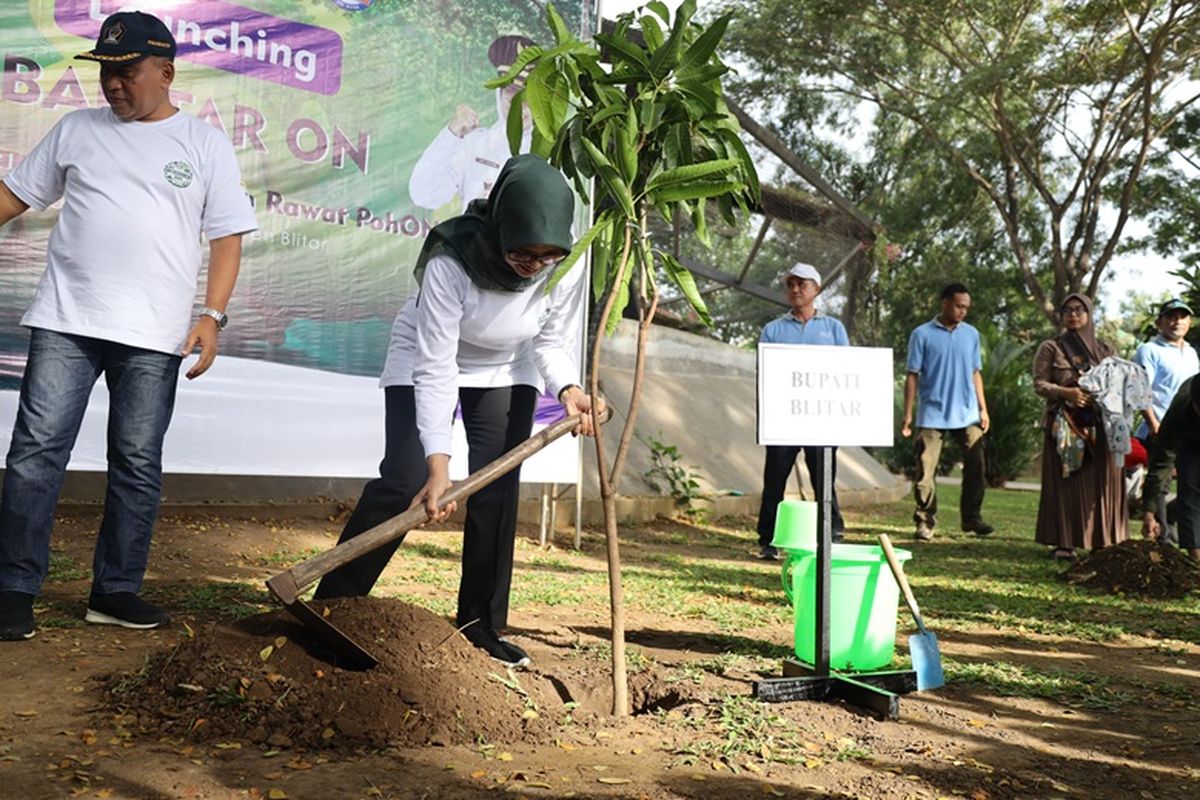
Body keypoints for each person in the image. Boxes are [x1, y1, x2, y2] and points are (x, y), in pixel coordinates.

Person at [0, 12, 256, 640]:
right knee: (36, 455)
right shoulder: (75, 130)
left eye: (127, 72)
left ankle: (115, 591)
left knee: (136, 461)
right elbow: (11, 199)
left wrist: (212, 316)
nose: (113, 84)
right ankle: (11, 589)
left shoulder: (203, 144)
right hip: (67, 319)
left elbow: (226, 236)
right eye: (106, 72)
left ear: (165, 72)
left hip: (156, 333)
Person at [313, 155, 603, 667]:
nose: (534, 265)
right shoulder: (452, 258)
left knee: (496, 491)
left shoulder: (569, 261)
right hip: (425, 356)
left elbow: (550, 340)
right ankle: (335, 609)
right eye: (522, 253)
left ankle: (481, 625)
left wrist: (569, 390)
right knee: (404, 479)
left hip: (508, 367)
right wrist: (438, 464)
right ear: (499, 227)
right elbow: (436, 364)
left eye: (546, 256)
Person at [754, 263, 849, 561]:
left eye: (802, 284)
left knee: (824, 477)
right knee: (775, 479)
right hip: (784, 419)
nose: (795, 289)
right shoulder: (772, 330)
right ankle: (767, 540)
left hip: (823, 419)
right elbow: (765, 373)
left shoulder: (834, 329)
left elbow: (846, 372)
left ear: (816, 290)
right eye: (790, 284)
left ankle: (832, 533)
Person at [1032, 294, 1127, 559]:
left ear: (1089, 314)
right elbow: (1040, 384)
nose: (1073, 314)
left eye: (1079, 309)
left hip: (1102, 425)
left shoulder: (1105, 349)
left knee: (1103, 483)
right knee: (1066, 482)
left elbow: (1118, 383)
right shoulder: (1052, 347)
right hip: (1064, 425)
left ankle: (1103, 540)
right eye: (1068, 310)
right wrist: (1067, 392)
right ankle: (1065, 542)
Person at [901, 284, 993, 541]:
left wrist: (983, 409)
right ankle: (925, 521)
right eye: (958, 305)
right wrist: (908, 414)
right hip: (932, 412)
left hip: (966, 413)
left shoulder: (971, 334)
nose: (962, 311)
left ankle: (971, 518)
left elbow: (976, 373)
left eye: (966, 307)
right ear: (944, 303)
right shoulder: (921, 334)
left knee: (976, 466)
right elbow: (912, 375)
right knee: (925, 470)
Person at [408, 35, 535, 212]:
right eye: (511, 96)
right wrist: (451, 135)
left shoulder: (550, 155)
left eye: (527, 98)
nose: (518, 108)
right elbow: (424, 194)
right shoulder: (478, 144)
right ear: (499, 95)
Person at [1132, 298, 1197, 545]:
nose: (1176, 321)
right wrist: (1153, 424)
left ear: (1189, 322)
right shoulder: (1149, 350)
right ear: (1160, 322)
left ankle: (1169, 521)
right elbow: (1141, 390)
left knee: (1191, 483)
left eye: (1182, 316)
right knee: (1161, 480)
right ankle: (1164, 539)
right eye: (1171, 316)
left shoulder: (1191, 353)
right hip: (1157, 427)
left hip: (1188, 429)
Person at [1142, 375, 1200, 560]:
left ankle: (1174, 514)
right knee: (1189, 487)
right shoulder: (1179, 412)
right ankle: (1196, 558)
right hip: (1191, 440)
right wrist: (1148, 512)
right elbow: (1161, 463)